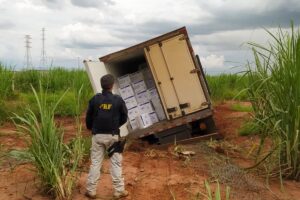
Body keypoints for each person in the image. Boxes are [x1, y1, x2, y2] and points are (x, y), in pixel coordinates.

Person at [85, 74, 129, 199]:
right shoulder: (118, 100)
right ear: (112, 85)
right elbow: (124, 117)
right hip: (113, 136)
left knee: (95, 163)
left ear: (102, 85)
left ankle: (91, 190)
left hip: (97, 136)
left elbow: (89, 117)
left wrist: (91, 128)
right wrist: (115, 126)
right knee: (115, 163)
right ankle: (119, 191)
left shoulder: (95, 99)